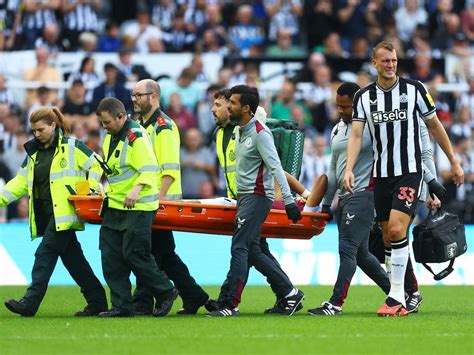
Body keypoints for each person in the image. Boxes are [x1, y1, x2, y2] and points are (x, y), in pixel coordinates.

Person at [343, 41, 464, 317]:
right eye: (385, 61)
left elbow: (434, 127)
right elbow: (357, 136)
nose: (391, 65)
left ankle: (395, 298)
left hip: (410, 172)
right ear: (374, 63)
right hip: (382, 175)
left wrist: (454, 161)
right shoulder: (364, 97)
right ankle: (411, 292)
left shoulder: (415, 90)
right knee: (388, 239)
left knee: (397, 231)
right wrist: (349, 169)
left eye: (394, 60)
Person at [208, 88, 326, 314]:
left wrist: (290, 201)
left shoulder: (260, 133)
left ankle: (230, 304)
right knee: (253, 249)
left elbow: (276, 168)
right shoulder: (240, 131)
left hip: (257, 197)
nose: (228, 106)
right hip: (245, 197)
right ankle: (289, 294)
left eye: (232, 102)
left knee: (240, 247)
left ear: (245, 108)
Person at [1, 106, 107, 317]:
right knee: (75, 262)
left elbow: (97, 165)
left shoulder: (72, 146)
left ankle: (30, 302)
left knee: (44, 255)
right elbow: (20, 182)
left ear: (53, 125)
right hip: (47, 216)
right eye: (33, 131)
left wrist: (88, 187)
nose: (36, 134)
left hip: (64, 215)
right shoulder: (33, 154)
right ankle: (97, 301)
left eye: (40, 129)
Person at [308, 82, 391, 316]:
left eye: (347, 107)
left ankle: (335, 303)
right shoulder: (336, 129)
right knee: (362, 255)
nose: (342, 111)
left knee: (347, 249)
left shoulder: (373, 128)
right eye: (338, 106)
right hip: (344, 197)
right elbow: (334, 168)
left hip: (365, 193)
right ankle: (398, 294)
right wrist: (326, 203)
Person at [130, 79, 209, 315]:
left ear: (153, 96)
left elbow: (169, 168)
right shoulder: (142, 125)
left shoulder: (164, 127)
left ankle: (143, 301)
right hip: (150, 199)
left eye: (138, 95)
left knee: (148, 251)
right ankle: (194, 296)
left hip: (159, 201)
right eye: (133, 95)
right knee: (163, 253)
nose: (134, 99)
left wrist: (159, 201)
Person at [95, 97, 178, 317]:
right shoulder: (111, 136)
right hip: (115, 204)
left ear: (121, 117)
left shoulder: (137, 137)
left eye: (107, 122)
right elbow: (112, 168)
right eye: (102, 123)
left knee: (135, 254)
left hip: (138, 205)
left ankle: (166, 290)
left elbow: (150, 167)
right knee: (110, 256)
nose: (104, 127)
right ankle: (122, 306)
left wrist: (136, 189)